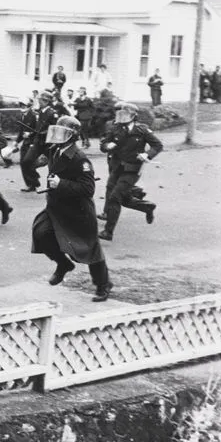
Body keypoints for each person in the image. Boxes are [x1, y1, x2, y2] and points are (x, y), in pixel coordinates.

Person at [33, 116, 113, 302]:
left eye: (62, 132)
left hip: (78, 211)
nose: (56, 135)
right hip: (56, 206)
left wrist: (61, 183)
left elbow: (88, 189)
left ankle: (103, 285)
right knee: (41, 233)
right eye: (57, 130)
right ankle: (63, 265)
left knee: (89, 250)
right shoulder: (55, 150)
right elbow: (40, 151)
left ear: (72, 136)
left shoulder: (80, 158)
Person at [97, 102, 161, 241]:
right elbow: (103, 145)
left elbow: (157, 145)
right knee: (122, 199)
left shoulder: (142, 129)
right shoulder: (115, 128)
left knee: (115, 197)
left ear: (133, 116)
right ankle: (147, 207)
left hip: (132, 170)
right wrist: (108, 146)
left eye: (125, 114)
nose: (121, 117)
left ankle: (108, 232)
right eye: (120, 114)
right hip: (117, 167)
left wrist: (147, 155)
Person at [20, 90, 63, 192]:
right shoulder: (40, 112)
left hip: (48, 144)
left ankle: (51, 187)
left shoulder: (52, 114)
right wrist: (31, 134)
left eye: (41, 100)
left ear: (46, 101)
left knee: (52, 167)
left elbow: (54, 129)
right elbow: (37, 128)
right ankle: (33, 182)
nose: (39, 102)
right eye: (39, 100)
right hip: (37, 142)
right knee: (26, 161)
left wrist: (44, 133)